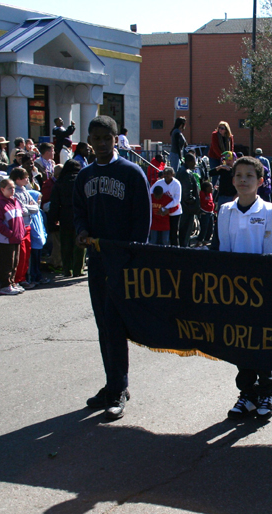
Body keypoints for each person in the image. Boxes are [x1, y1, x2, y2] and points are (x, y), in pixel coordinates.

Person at [74, 115, 151, 420]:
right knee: (103, 325)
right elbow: (79, 210)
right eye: (96, 139)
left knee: (116, 322)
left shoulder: (132, 173)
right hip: (97, 261)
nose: (102, 144)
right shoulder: (84, 175)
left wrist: (132, 257)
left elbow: (142, 219)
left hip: (124, 262)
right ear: (89, 141)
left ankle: (118, 388)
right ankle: (112, 384)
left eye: (108, 138)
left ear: (116, 139)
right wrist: (80, 230)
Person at [212, 156, 272, 420]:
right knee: (241, 343)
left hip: (265, 292)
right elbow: (217, 251)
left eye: (249, 176)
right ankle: (247, 393)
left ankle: (267, 392)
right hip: (234, 292)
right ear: (232, 180)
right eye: (238, 175)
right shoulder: (224, 211)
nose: (243, 180)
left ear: (260, 181)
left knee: (264, 342)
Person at [48, 160, 86, 277]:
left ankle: (67, 269)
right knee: (80, 244)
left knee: (65, 244)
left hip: (64, 215)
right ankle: (78, 269)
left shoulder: (59, 182)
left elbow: (54, 203)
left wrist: (52, 219)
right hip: (80, 215)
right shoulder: (81, 181)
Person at [0, 178, 26, 295]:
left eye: (13, 188)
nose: (12, 190)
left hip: (16, 238)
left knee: (15, 263)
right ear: (2, 189)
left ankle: (12, 283)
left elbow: (20, 219)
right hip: (5, 239)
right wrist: (9, 233)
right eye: (9, 188)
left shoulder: (15, 201)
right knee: (7, 263)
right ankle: (5, 285)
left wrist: (21, 232)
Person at [152, 168, 182, 246]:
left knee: (173, 233)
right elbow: (151, 193)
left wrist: (165, 208)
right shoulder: (159, 183)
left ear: (173, 174)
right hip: (162, 212)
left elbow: (177, 200)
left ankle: (175, 251)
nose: (167, 175)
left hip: (174, 212)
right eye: (165, 173)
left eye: (169, 173)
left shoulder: (177, 184)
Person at [177, 152, 201, 247]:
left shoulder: (182, 171)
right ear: (189, 161)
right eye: (194, 162)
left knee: (184, 231)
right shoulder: (186, 173)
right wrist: (194, 201)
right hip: (187, 208)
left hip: (185, 206)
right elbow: (187, 192)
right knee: (186, 231)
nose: (195, 164)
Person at [195, 181, 215, 247]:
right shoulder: (201, 194)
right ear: (206, 188)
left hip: (210, 213)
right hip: (204, 213)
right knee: (204, 228)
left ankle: (205, 242)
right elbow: (202, 203)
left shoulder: (210, 194)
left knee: (210, 228)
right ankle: (199, 242)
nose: (212, 189)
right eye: (210, 187)